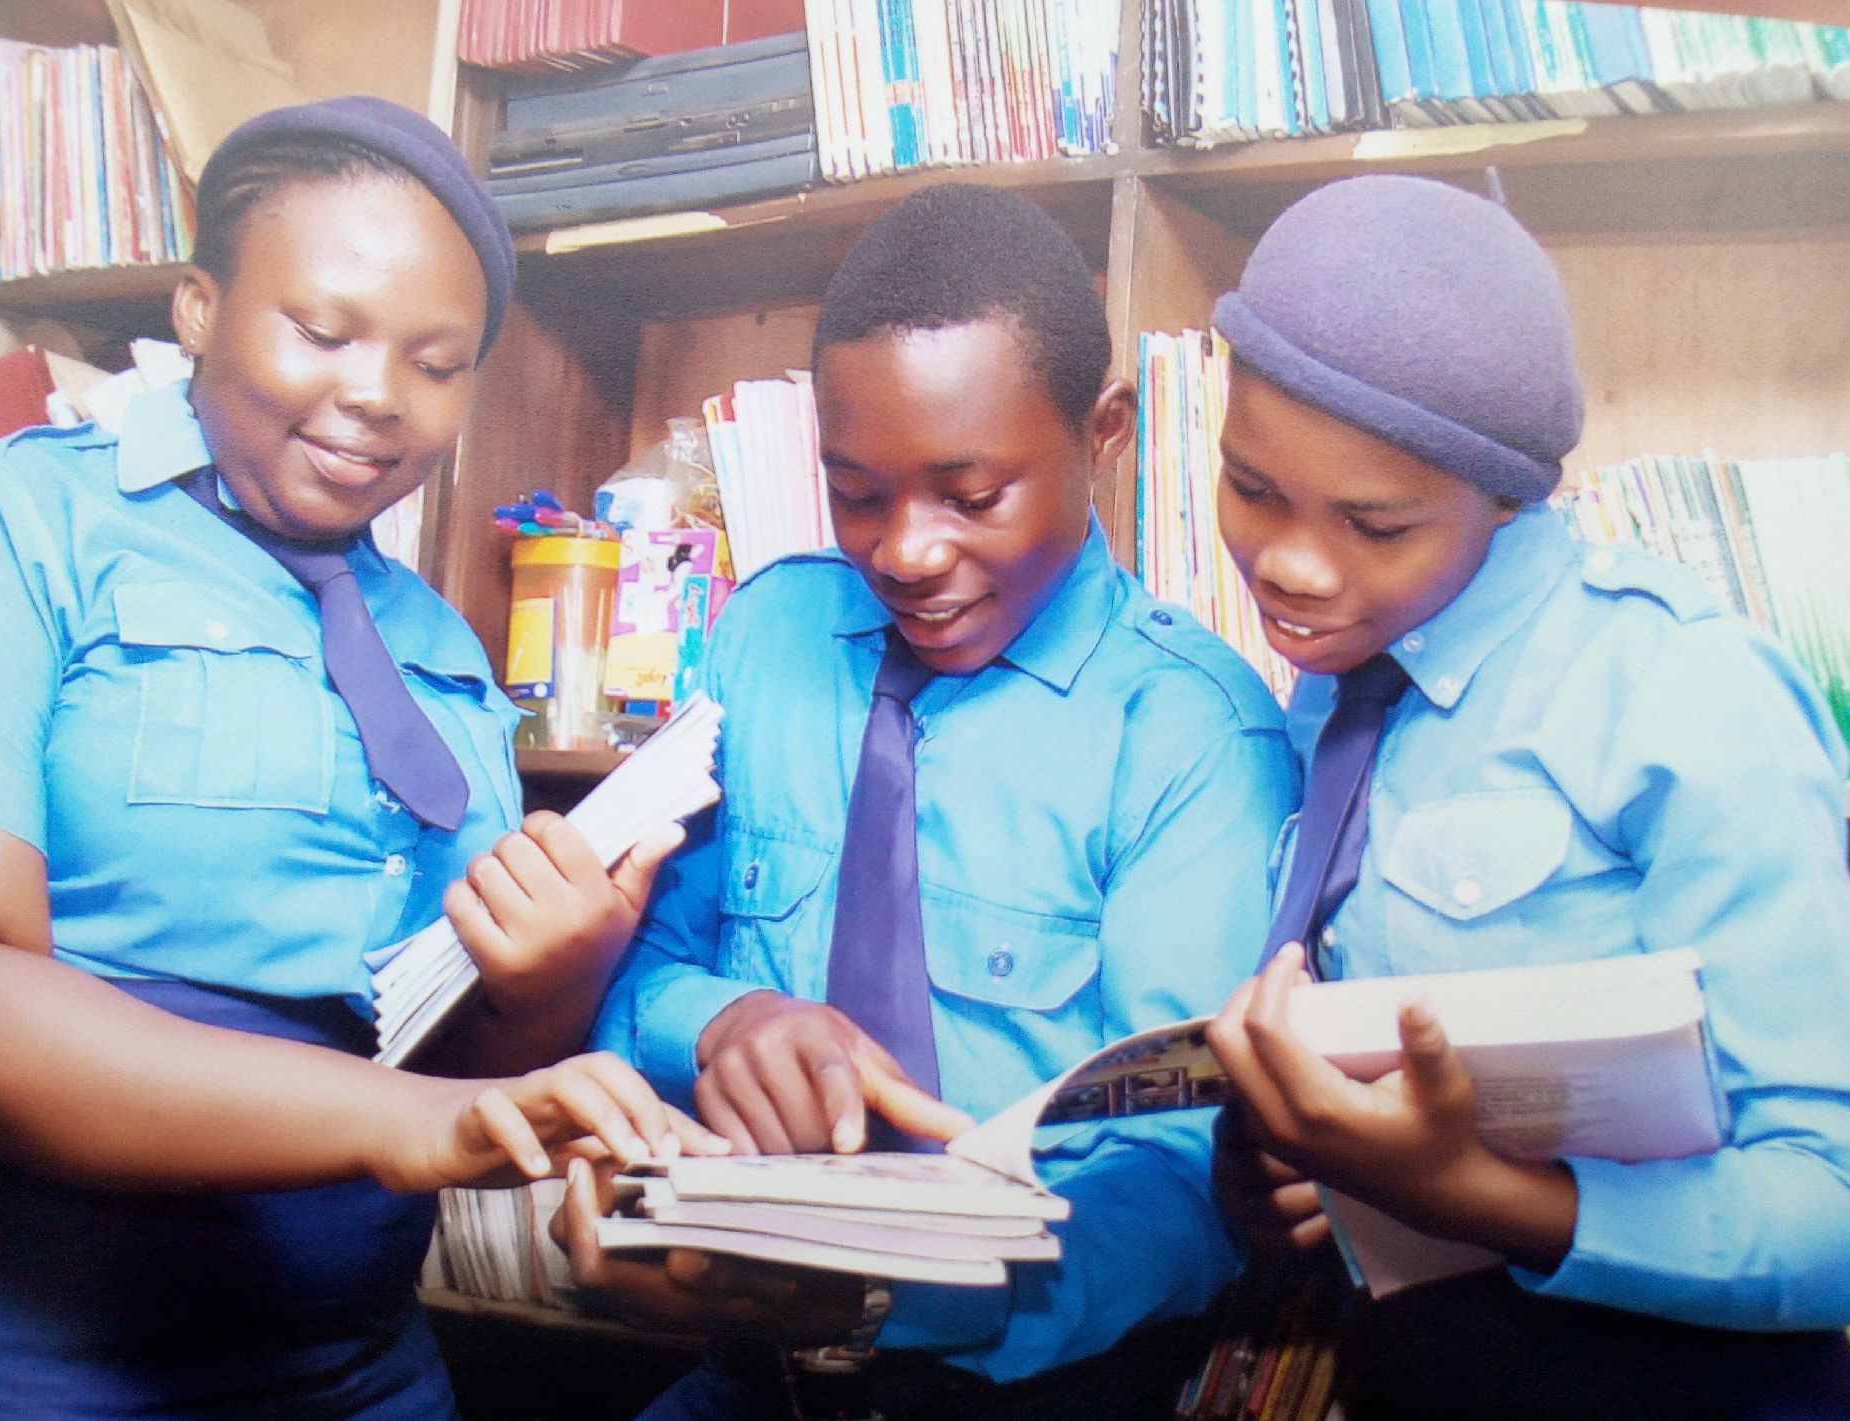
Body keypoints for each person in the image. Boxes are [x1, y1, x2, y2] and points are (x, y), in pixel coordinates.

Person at [0, 97, 718, 1419]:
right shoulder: (11, 528)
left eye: (437, 364)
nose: (377, 396)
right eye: (322, 331)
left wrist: (549, 985)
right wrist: (398, 1128)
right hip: (22, 1378)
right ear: (199, 306)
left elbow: (454, 1081)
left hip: (364, 1380)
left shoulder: (442, 654)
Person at [553, 182, 1302, 1420]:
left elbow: (1181, 1178)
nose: (904, 549)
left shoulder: (1186, 731)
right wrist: (724, 1019)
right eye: (858, 492)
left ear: (1103, 430)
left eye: (969, 494)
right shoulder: (766, 638)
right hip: (746, 1373)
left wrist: (867, 1292)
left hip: (1028, 1384)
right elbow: (629, 964)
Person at [1198, 173, 1850, 1420]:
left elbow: (1845, 1214)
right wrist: (1291, 1164)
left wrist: (1475, 1192)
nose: (1290, 565)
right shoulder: (1337, 688)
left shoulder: (1680, 690)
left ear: (1506, 497)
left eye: (1373, 522)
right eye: (1249, 487)